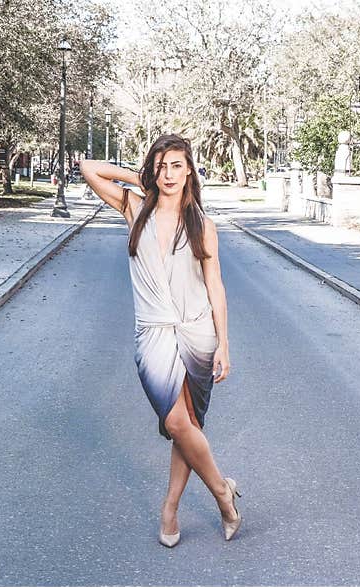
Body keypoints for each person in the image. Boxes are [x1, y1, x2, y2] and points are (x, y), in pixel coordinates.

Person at [80, 134, 240, 548]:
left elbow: (216, 286)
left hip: (196, 332)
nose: (168, 174)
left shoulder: (203, 225)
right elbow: (89, 168)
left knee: (185, 424)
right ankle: (223, 491)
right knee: (176, 422)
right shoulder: (134, 208)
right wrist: (143, 179)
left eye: (176, 166)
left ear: (190, 170)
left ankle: (169, 508)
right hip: (153, 333)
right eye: (161, 165)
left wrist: (224, 344)